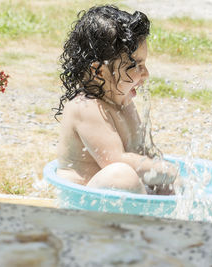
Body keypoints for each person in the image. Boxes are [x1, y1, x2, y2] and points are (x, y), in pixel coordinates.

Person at [55, 5, 178, 195]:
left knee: (172, 184)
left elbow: (141, 154)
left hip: (114, 201)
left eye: (144, 64)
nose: (145, 74)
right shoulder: (86, 106)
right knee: (122, 175)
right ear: (98, 71)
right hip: (82, 201)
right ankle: (147, 218)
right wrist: (161, 170)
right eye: (135, 64)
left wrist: (171, 178)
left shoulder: (123, 103)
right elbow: (114, 161)